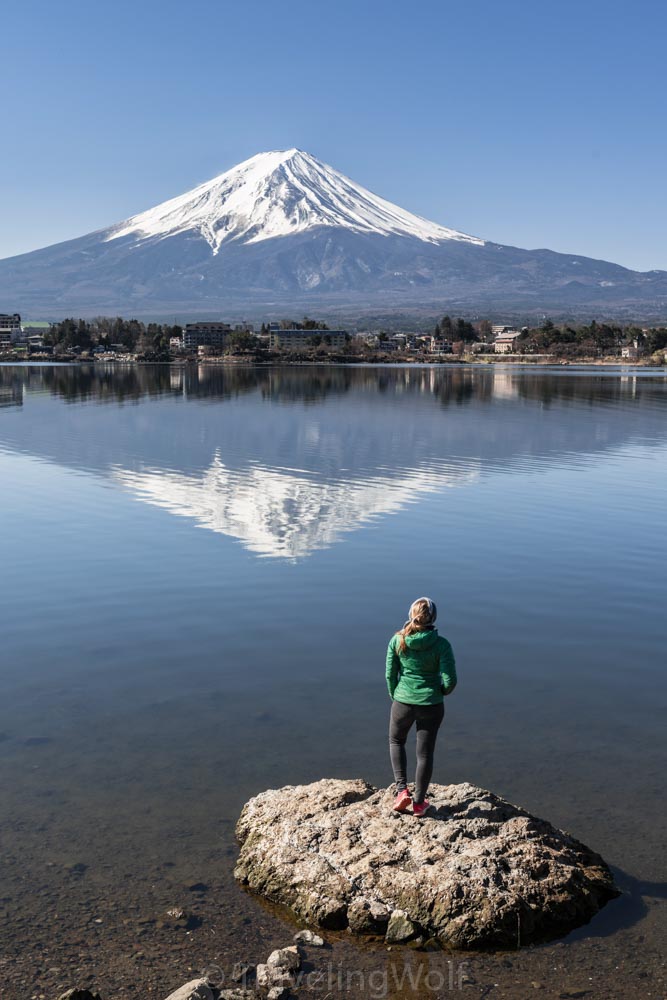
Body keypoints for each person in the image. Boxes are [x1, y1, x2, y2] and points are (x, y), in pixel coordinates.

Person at [385, 597, 457, 816]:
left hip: (402, 702)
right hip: (431, 704)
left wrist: (396, 695)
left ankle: (401, 791)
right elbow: (450, 680)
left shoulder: (397, 640)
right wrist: (439, 692)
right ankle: (418, 803)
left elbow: (390, 674)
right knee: (425, 754)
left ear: (410, 615)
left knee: (396, 741)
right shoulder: (442, 644)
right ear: (433, 618)